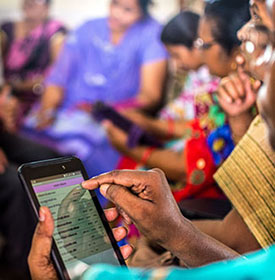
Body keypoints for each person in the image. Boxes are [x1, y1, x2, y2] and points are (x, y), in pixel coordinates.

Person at [27, 0, 275, 279]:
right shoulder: (233, 95)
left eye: (263, 37)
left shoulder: (232, 92)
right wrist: (171, 231)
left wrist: (164, 233)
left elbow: (240, 237)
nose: (245, 55)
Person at [104, 0, 252, 202]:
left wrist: (132, 148)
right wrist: (150, 125)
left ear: (236, 53)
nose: (200, 52)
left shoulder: (239, 97)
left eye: (203, 44)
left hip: (210, 198)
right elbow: (200, 128)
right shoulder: (225, 88)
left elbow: (191, 168)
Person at [23, 0, 168, 177]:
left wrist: (105, 111)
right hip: (65, 111)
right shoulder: (88, 28)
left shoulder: (151, 34)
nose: (117, 13)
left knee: (80, 157)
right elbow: (58, 77)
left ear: (143, 12)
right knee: (29, 147)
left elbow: (150, 96)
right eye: (115, 3)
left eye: (128, 10)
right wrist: (48, 110)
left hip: (110, 120)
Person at [0, 0, 67, 132]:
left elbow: (60, 71)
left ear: (47, 7)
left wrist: (34, 87)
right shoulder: (7, 28)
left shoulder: (55, 31)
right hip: (9, 92)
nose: (30, 2)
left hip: (40, 95)